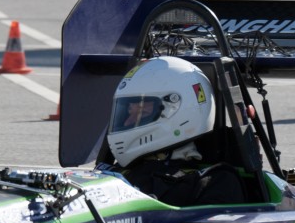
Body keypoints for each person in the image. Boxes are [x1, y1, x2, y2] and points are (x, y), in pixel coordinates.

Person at [103, 56, 248, 207]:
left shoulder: (213, 182)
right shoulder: (117, 171)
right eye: (128, 112)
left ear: (175, 109)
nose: (127, 122)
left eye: (141, 113)